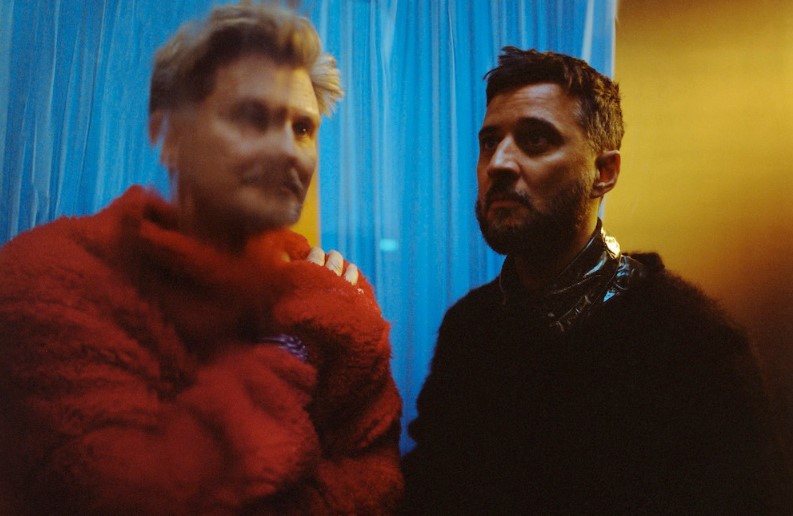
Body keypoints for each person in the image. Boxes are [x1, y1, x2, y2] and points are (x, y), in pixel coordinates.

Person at [0, 4, 402, 514]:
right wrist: (299, 338)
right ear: (172, 137)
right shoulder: (54, 278)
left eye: (303, 127)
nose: (288, 151)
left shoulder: (333, 289)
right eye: (251, 117)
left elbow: (377, 476)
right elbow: (129, 489)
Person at [401, 47, 791, 514]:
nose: (498, 163)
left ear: (604, 173)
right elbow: (427, 491)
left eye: (535, 140)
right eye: (489, 142)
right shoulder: (470, 327)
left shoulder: (693, 341)